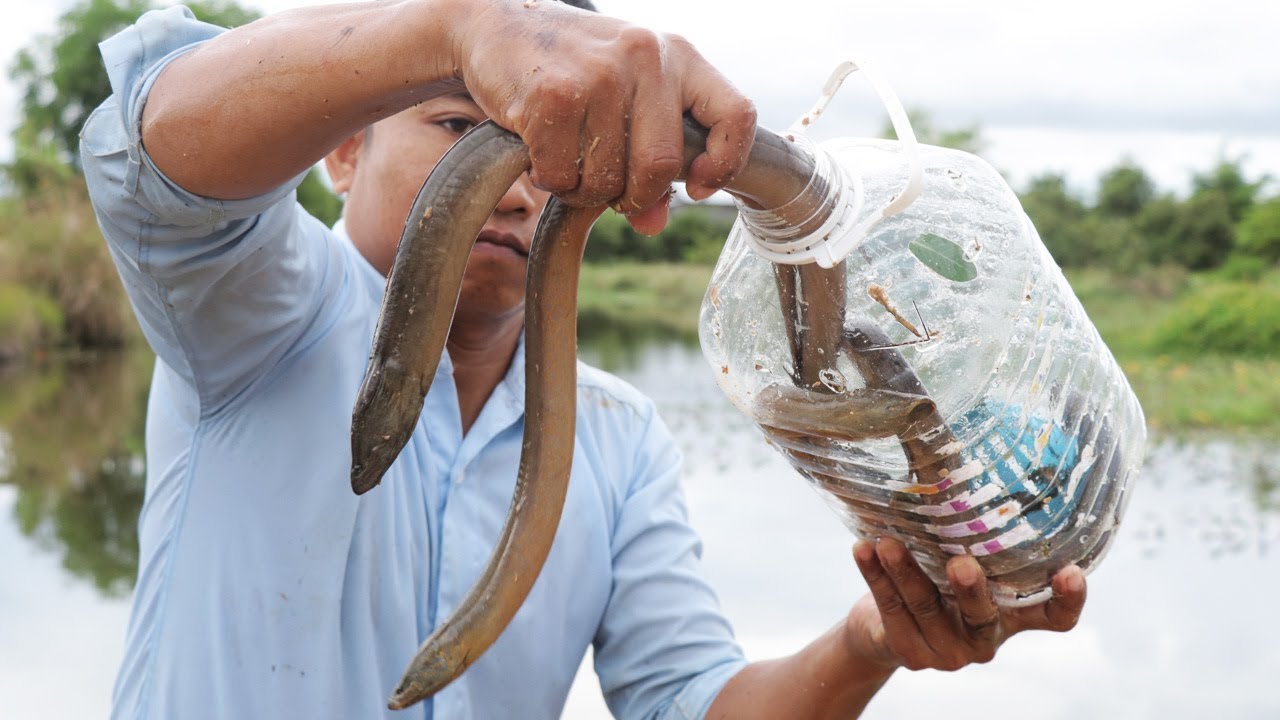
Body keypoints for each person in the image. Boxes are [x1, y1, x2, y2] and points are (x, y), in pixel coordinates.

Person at [81, 1, 1088, 718]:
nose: (515, 190)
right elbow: (151, 163)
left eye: (547, 159)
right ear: (343, 152)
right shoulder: (258, 315)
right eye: (455, 126)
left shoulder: (616, 437)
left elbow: (691, 704)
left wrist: (873, 643)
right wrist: (457, 30)